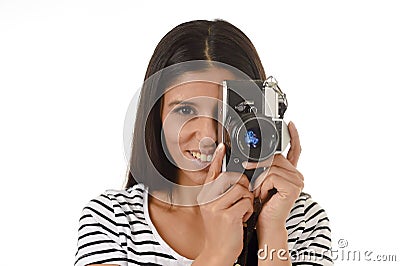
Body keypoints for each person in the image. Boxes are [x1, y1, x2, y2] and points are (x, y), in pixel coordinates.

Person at [74, 19, 333, 266]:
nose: (207, 135)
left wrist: (272, 230)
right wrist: (217, 253)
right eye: (185, 111)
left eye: (226, 113)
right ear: (157, 117)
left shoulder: (299, 219)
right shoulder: (114, 220)